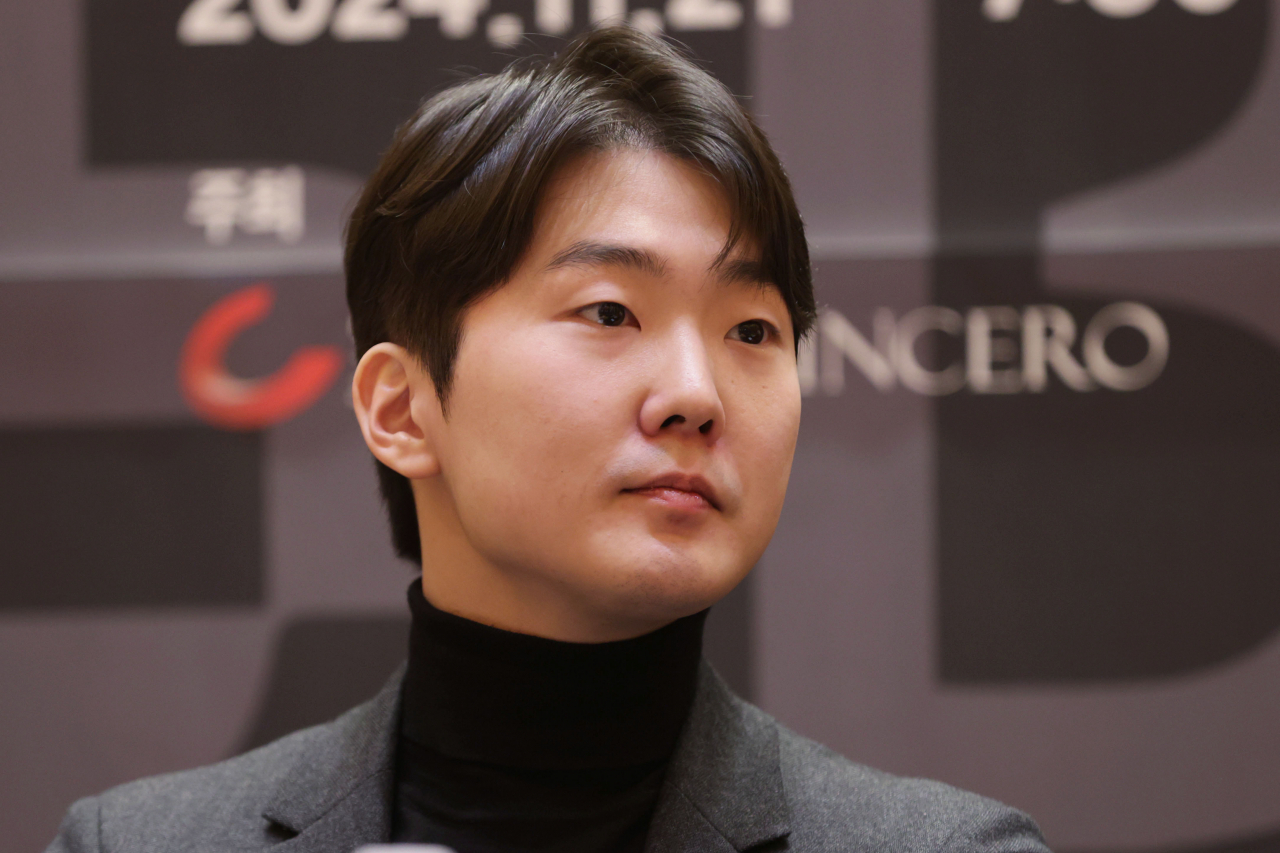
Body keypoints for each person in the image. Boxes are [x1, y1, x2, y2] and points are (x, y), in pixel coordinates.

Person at [47, 26, 1051, 853]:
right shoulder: (134, 841)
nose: (695, 395)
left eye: (752, 330)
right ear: (401, 408)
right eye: (610, 312)